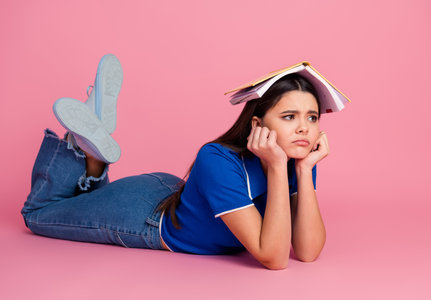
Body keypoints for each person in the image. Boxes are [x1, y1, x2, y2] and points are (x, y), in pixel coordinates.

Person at [21, 54, 330, 270]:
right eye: (289, 117)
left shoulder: (295, 157)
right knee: (38, 215)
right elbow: (273, 257)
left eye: (312, 117)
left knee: (84, 202)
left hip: (179, 194)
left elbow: (307, 251)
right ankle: (78, 143)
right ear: (257, 125)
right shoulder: (219, 159)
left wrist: (303, 171)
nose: (304, 128)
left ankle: (91, 146)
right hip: (146, 215)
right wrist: (277, 168)